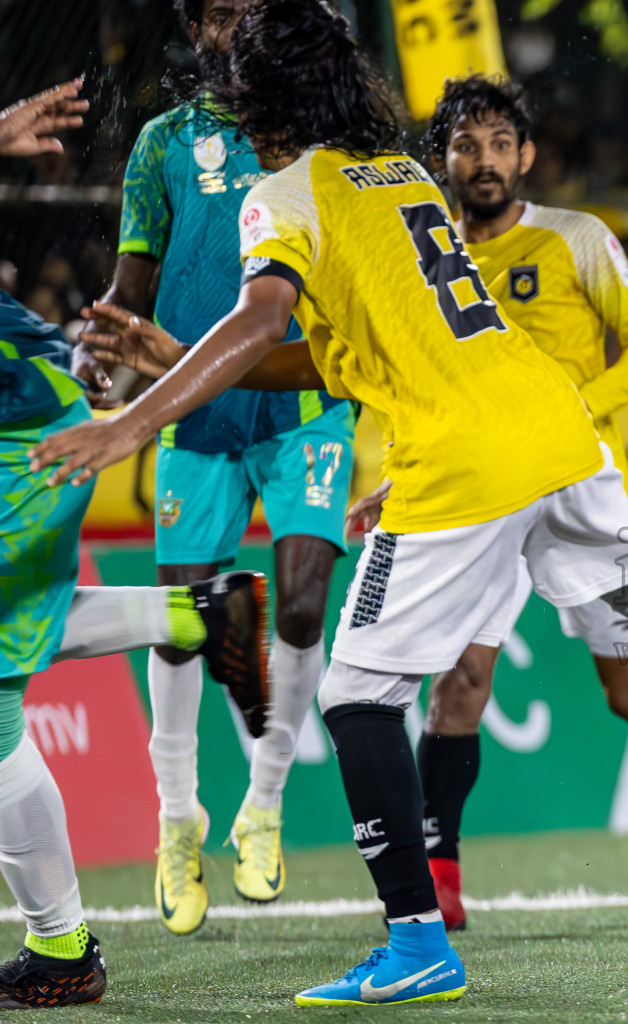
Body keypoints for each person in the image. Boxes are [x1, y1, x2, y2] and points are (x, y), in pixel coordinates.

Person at [37, 1, 628, 1005]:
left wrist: (127, 425)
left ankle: (416, 942)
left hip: (462, 462)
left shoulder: (281, 192)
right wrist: (177, 360)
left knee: (354, 697)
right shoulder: (397, 176)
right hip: (554, 424)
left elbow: (261, 318)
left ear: (257, 103)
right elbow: (346, 355)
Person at [342, 75, 628, 932]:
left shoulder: (574, 237)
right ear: (439, 160)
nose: (482, 162)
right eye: (463, 146)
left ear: (526, 156)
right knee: (460, 683)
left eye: (498, 145)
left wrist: (570, 416)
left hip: (571, 486)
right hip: (475, 493)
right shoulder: (425, 249)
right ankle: (441, 870)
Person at [70, 0, 357, 934]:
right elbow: (132, 284)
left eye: (253, 11)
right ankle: (176, 815)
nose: (236, 27)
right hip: (192, 409)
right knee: (178, 622)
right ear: (196, 30)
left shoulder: (319, 141)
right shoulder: (161, 145)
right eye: (222, 12)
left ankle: (265, 803)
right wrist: (100, 346)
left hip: (305, 407)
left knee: (305, 599)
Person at [0, 289, 268, 1009]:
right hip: (29, 407)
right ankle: (203, 616)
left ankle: (61, 951)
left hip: (22, 432)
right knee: (14, 621)